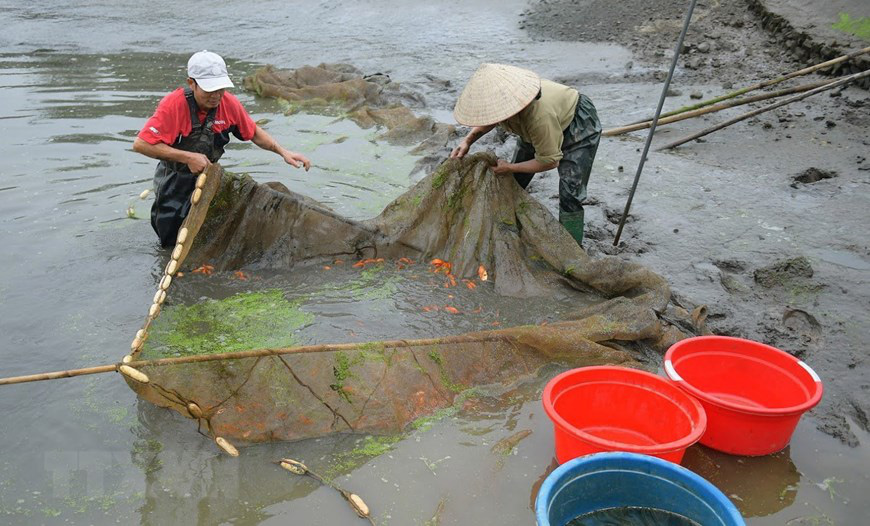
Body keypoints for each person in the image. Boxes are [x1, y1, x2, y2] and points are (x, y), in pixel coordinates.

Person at [133, 50, 311, 247]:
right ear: (192, 83)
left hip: (208, 178)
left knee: (205, 232)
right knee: (170, 237)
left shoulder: (229, 104)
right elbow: (142, 144)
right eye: (210, 90)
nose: (216, 96)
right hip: (174, 180)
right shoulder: (173, 105)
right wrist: (188, 158)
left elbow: (253, 132)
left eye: (221, 89)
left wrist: (283, 152)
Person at [450, 63, 600, 246]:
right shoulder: (506, 103)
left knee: (570, 193)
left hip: (578, 123)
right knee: (514, 181)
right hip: (533, 125)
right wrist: (467, 140)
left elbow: (550, 161)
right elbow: (490, 118)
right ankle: (507, 229)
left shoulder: (538, 118)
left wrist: (510, 166)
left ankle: (572, 251)